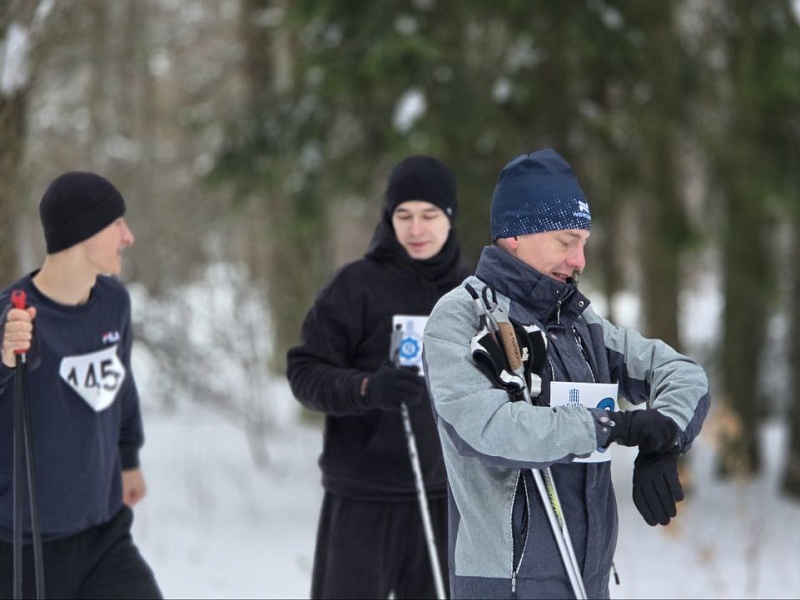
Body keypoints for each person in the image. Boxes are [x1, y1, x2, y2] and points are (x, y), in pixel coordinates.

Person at [422, 148, 710, 599]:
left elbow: (680, 372)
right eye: (566, 241)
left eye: (584, 243)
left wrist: (664, 436)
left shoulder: (579, 324)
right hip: (507, 585)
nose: (579, 261)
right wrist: (606, 426)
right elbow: (487, 430)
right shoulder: (461, 317)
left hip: (587, 581)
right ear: (516, 235)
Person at [286, 155, 471, 599]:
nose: (416, 228)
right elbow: (305, 373)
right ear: (389, 219)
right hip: (363, 494)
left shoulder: (472, 292)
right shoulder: (355, 286)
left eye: (429, 215)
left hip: (448, 494)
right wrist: (367, 388)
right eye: (403, 216)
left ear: (449, 219)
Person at [0, 171, 161, 599]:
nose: (128, 237)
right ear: (82, 234)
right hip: (25, 548)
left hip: (104, 536)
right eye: (117, 225)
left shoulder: (113, 303)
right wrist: (4, 356)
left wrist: (129, 459)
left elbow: (121, 388)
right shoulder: (13, 318)